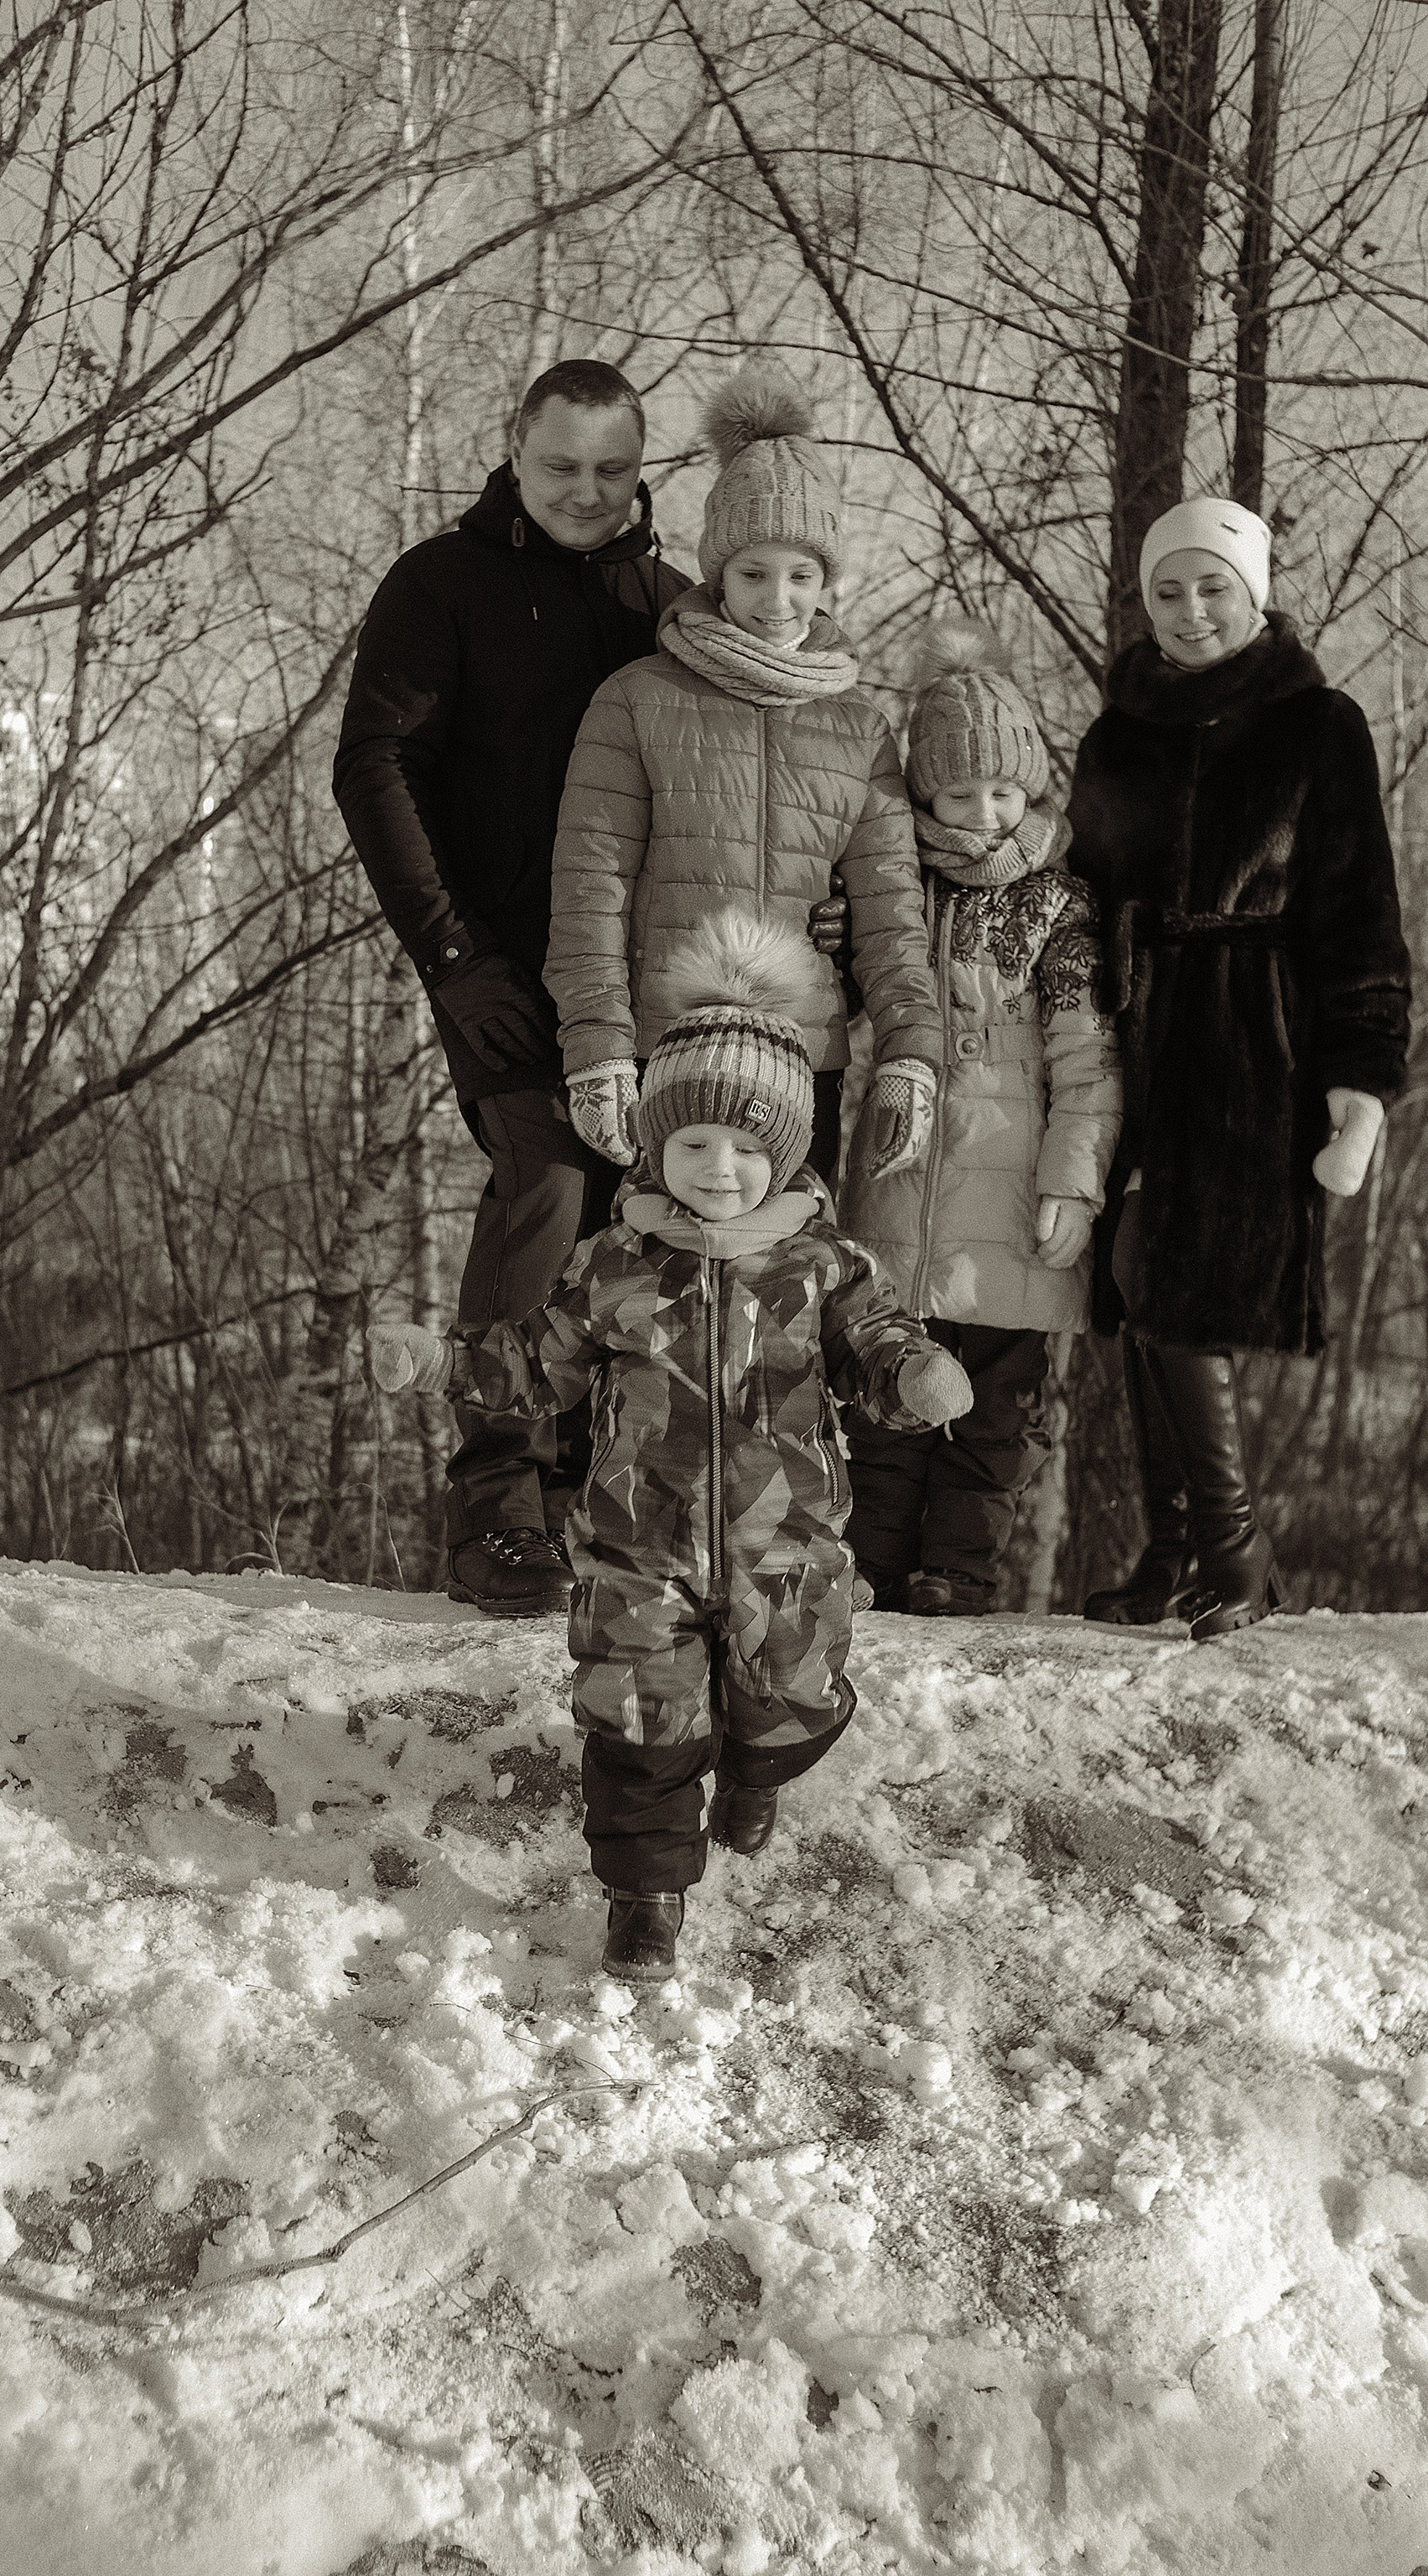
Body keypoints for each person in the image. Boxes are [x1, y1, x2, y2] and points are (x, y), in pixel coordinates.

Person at [366, 914, 973, 1983]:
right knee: (635, 1724)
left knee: (788, 1698)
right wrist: (437, 1361)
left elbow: (875, 1344)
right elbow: (534, 1362)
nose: (720, 1169)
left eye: (747, 1148)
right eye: (693, 1144)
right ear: (655, 1146)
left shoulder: (819, 1265)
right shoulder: (614, 1261)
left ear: (783, 1152)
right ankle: (642, 1902)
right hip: (633, 1549)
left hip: (783, 1548)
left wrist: (912, 1374)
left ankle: (755, 1769)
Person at [332, 360, 691, 1618]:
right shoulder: (441, 585)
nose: (586, 492)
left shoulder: (674, 603)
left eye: (611, 469)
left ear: (642, 468)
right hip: (494, 966)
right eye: (560, 466)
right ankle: (498, 1509)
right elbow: (375, 768)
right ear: (515, 453)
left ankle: (603, 1500)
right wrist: (450, 956)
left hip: (646, 979)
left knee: (639, 1222)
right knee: (541, 1183)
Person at [1070, 497, 1413, 1641]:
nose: (1191, 610)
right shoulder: (1116, 732)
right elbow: (1079, 888)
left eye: (1213, 586)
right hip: (1131, 1028)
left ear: (1254, 591)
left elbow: (1361, 912)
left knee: (1180, 1282)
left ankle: (1235, 1550)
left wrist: (1360, 1083)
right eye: (1168, 589)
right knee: (1129, 1284)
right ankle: (1174, 1552)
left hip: (1253, 1037)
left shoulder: (1320, 725)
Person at [543, 362, 942, 1197]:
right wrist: (597, 1049)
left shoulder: (859, 729)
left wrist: (909, 1054)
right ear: (717, 573)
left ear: (826, 580)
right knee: (650, 1304)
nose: (777, 598)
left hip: (802, 1066)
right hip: (665, 1058)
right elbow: (590, 890)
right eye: (753, 571)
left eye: (801, 574)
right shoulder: (637, 700)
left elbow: (891, 915)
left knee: (791, 1298)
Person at [839, 619, 1122, 1615]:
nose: (982, 813)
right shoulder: (891, 889)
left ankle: (955, 1573)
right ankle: (868, 1567)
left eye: (1001, 791)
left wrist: (1070, 1184)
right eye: (958, 793)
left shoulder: (1056, 904)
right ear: (923, 794)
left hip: (1011, 1202)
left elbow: (1086, 1057)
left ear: (1031, 787)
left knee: (995, 1412)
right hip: (897, 1190)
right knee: (885, 1396)